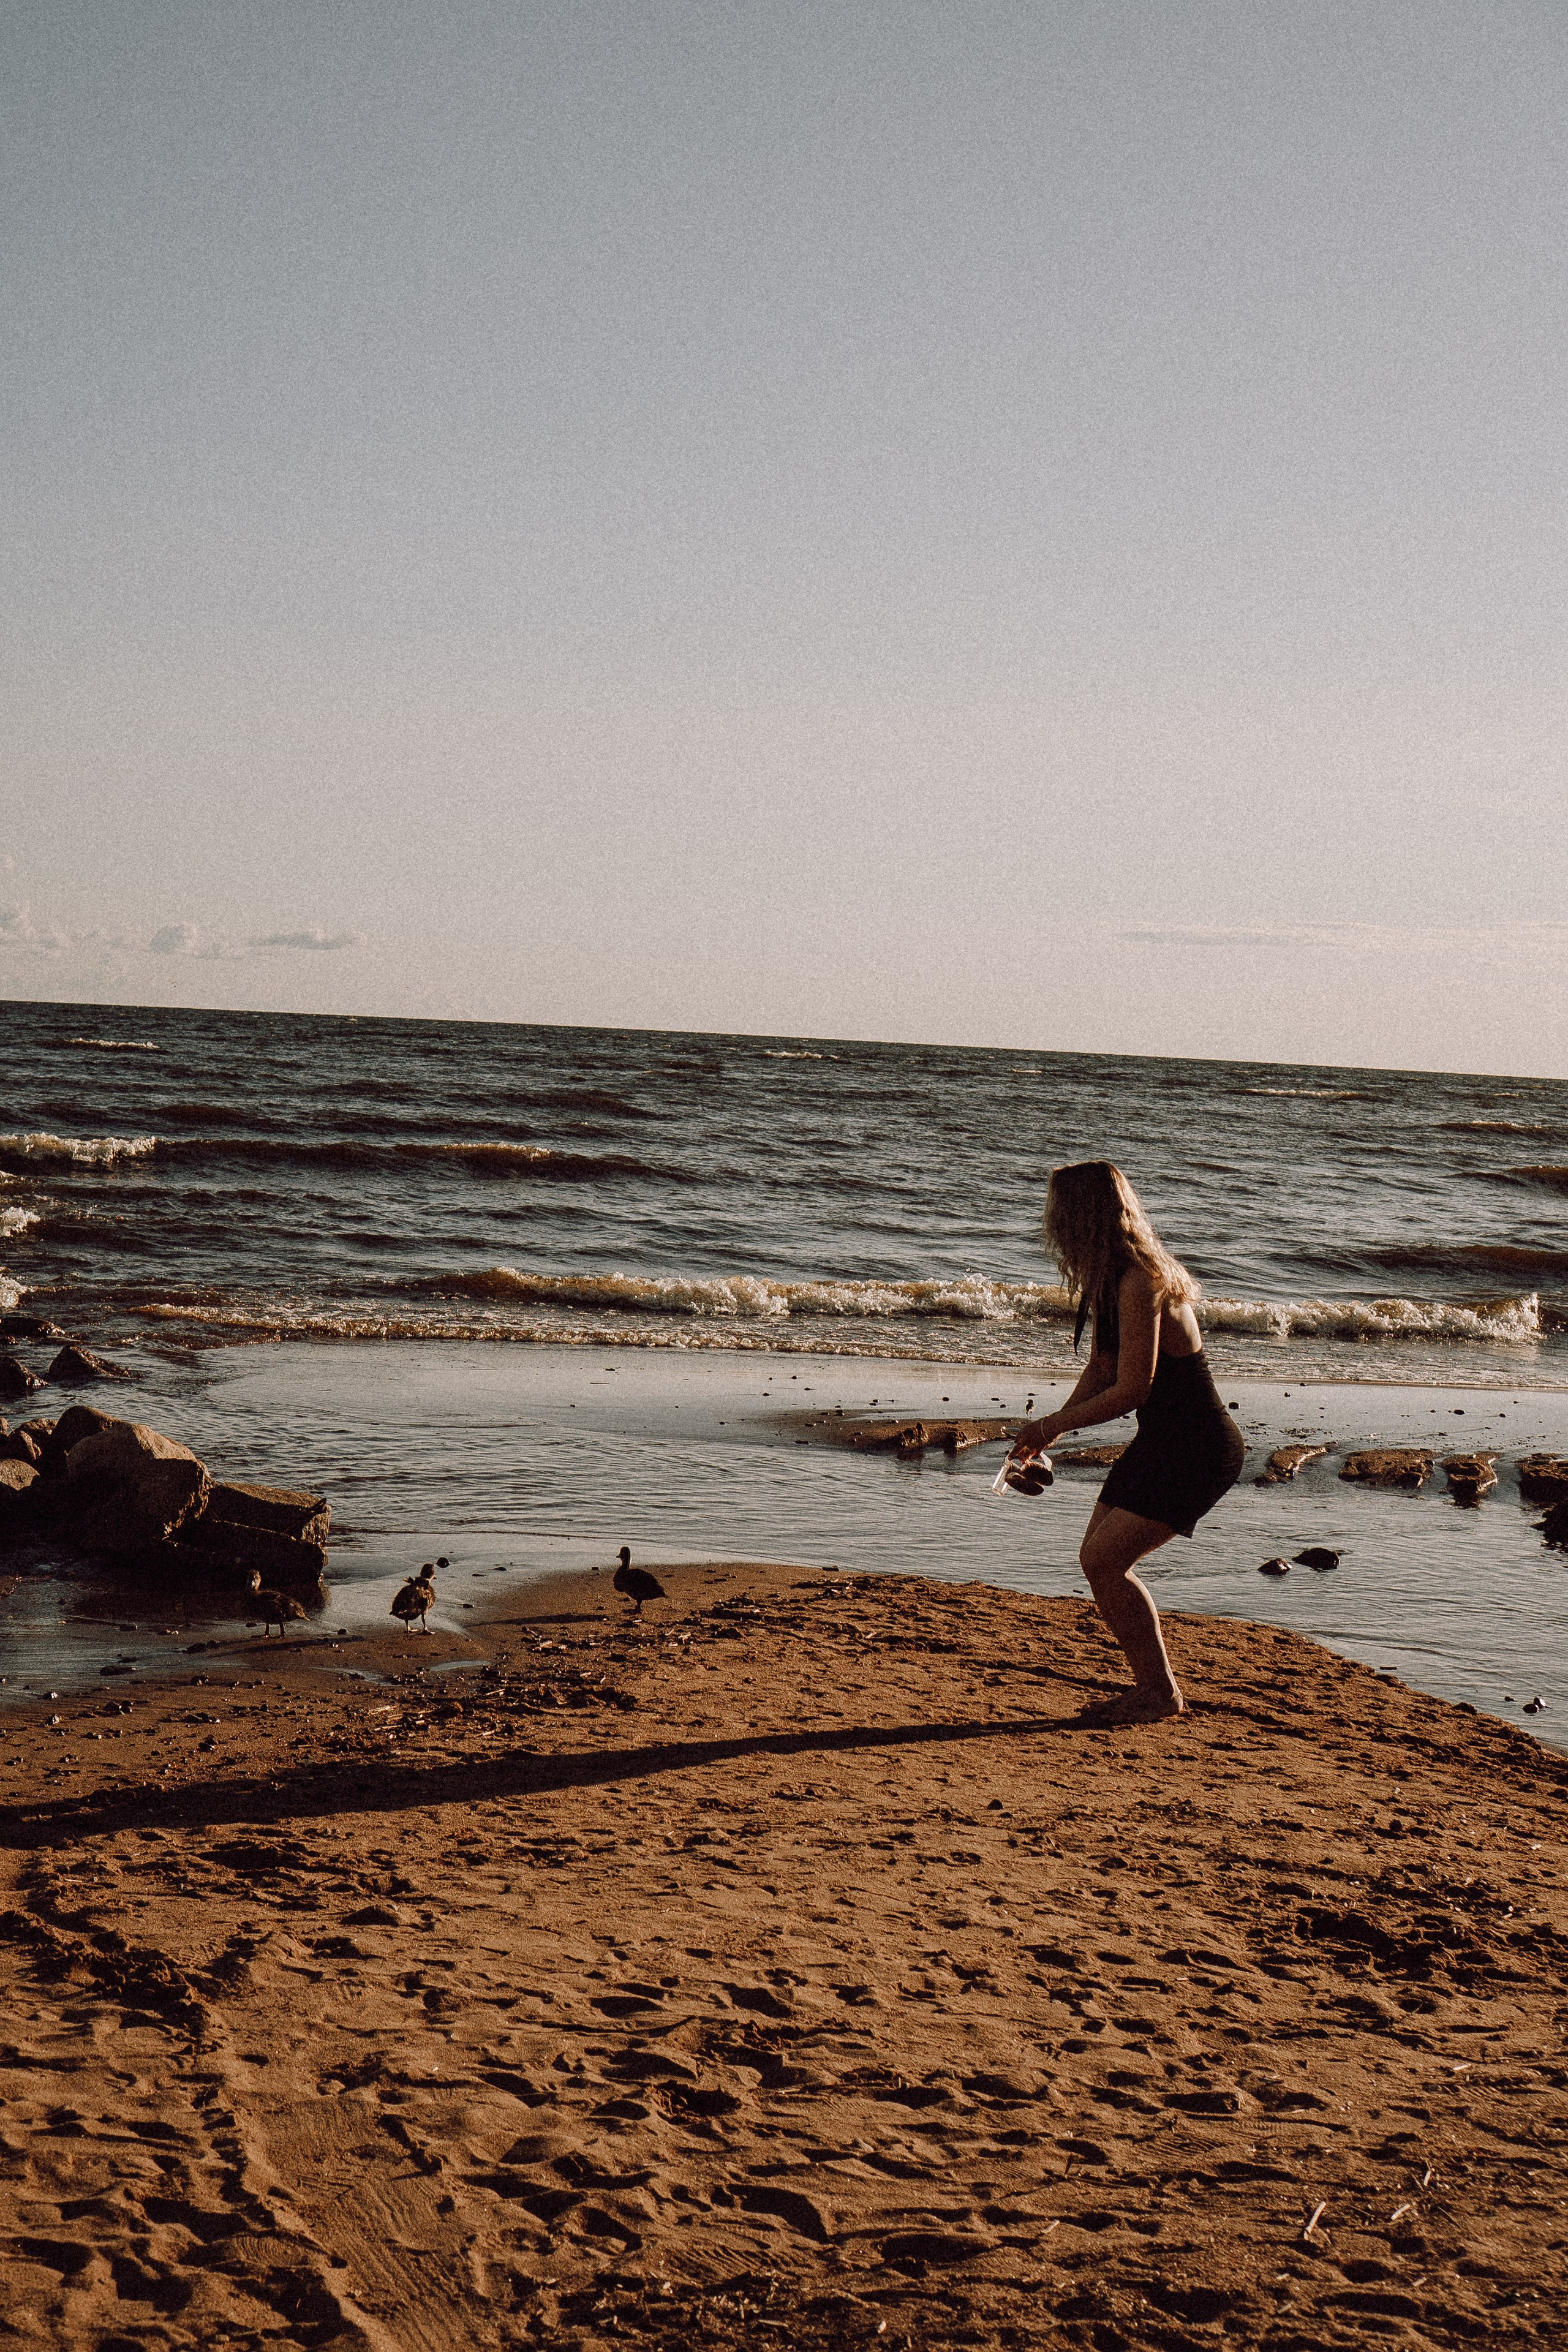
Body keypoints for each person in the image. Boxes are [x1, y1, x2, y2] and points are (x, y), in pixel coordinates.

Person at [1008, 1161, 1245, 1724]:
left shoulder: (1141, 1281)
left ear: (1082, 1216)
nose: (1052, 1225)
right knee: (1098, 1562)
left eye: (1058, 1214)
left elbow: (1135, 1389)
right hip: (1163, 1443)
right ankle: (1154, 1690)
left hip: (1198, 1447)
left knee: (1104, 1560)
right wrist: (1050, 1433)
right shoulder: (1111, 1278)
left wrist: (1045, 1429)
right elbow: (1102, 1368)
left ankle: (1159, 1694)